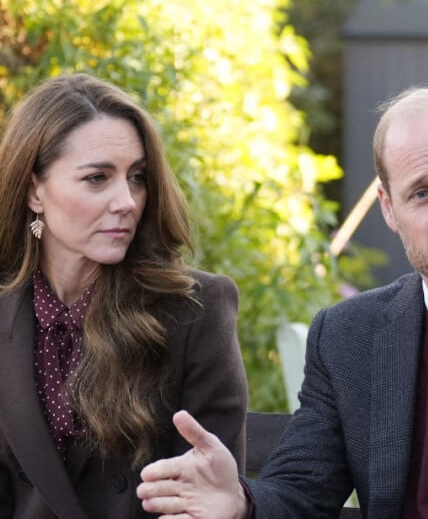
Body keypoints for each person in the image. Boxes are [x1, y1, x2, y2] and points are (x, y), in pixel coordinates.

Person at [136, 85, 428, 518]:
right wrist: (239, 504)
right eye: (421, 194)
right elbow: (302, 489)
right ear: (388, 208)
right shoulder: (348, 335)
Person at [0, 73, 248, 519]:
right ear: (36, 190)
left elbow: (206, 495)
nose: (127, 201)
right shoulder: (7, 312)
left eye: (136, 177)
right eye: (97, 178)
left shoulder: (193, 310)